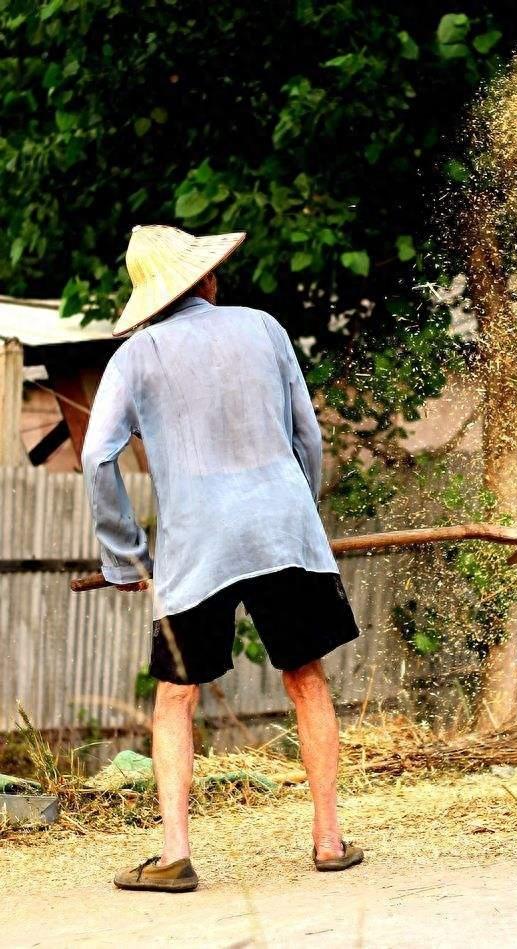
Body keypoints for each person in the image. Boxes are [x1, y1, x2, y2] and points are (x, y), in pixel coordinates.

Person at [82, 225, 363, 893]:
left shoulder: (135, 355)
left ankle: (174, 854)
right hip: (281, 529)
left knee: (177, 696)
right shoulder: (264, 329)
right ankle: (328, 839)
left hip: (195, 545)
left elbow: (97, 458)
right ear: (206, 279)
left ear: (149, 299)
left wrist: (126, 557)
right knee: (307, 677)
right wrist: (301, 515)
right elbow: (308, 434)